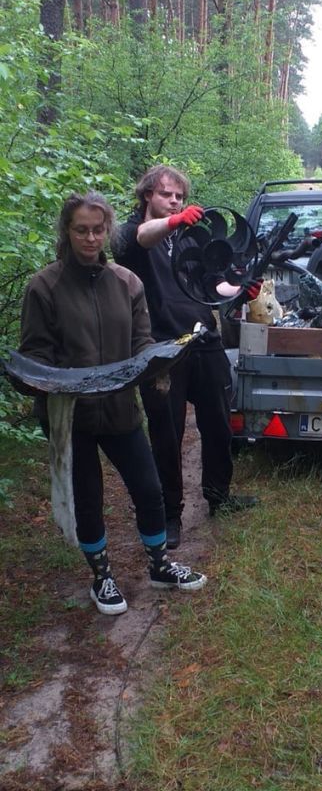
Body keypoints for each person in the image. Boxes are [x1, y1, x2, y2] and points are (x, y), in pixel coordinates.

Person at [19, 192, 207, 615]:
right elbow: (35, 354)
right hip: (72, 415)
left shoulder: (127, 282)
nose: (90, 238)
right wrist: (44, 388)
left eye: (98, 230)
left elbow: (141, 342)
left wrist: (157, 366)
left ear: (108, 232)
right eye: (81, 230)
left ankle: (160, 566)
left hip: (121, 408)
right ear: (67, 232)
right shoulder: (43, 286)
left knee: (148, 487)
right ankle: (102, 577)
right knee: (88, 496)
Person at [111, 165, 257, 550]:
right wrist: (174, 221)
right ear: (147, 196)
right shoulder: (130, 234)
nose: (174, 201)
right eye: (166, 195)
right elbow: (142, 237)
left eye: (179, 196)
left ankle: (218, 497)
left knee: (219, 424)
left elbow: (213, 284)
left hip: (203, 340)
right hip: (160, 348)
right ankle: (169, 514)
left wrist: (240, 290)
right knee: (166, 433)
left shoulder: (191, 241)